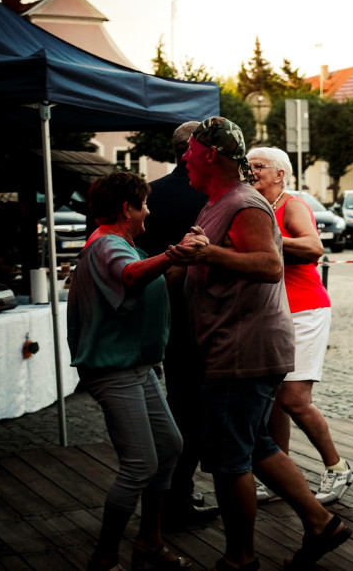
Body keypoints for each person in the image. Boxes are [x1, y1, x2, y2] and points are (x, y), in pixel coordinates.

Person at [169, 117, 350, 571]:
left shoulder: (246, 204)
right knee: (256, 445)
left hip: (242, 348)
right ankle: (321, 523)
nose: (183, 161)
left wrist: (208, 253)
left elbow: (270, 265)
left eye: (189, 153)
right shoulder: (217, 203)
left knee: (231, 461)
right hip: (228, 345)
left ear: (210, 154)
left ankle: (241, 557)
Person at [67, 171, 190, 571]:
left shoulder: (121, 244)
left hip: (137, 367)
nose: (148, 211)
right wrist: (174, 253)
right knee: (140, 464)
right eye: (144, 204)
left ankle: (149, 542)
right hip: (113, 370)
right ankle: (104, 557)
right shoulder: (108, 245)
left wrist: (187, 260)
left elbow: (145, 280)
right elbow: (131, 276)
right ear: (127, 208)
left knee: (169, 446)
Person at [246, 146, 353, 504]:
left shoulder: (290, 205)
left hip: (305, 309)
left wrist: (268, 241)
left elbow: (313, 248)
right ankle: (283, 476)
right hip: (271, 312)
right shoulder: (253, 204)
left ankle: (337, 467)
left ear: (280, 174)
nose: (250, 171)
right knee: (275, 400)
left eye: (258, 166)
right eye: (247, 166)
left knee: (294, 399)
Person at [136, 121, 220, 528]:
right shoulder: (212, 195)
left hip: (159, 310)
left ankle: (172, 492)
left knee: (176, 400)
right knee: (198, 406)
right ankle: (179, 496)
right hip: (205, 313)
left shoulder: (150, 195)